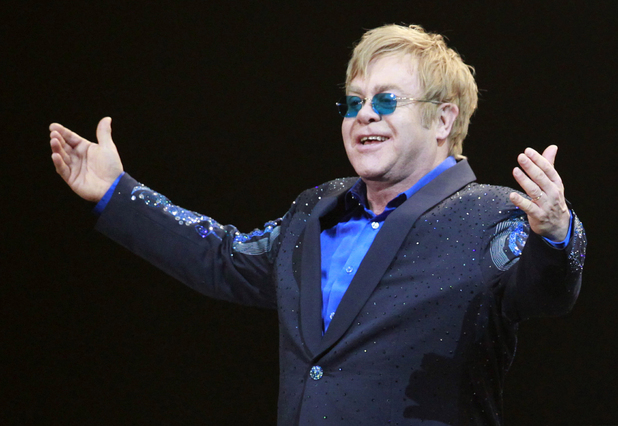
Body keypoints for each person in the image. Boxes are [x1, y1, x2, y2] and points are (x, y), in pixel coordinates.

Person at [49, 24, 586, 425]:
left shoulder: (492, 216)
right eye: (353, 102)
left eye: (385, 101)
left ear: (443, 119)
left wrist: (558, 233)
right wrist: (119, 193)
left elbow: (546, 292)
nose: (364, 115)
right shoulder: (317, 209)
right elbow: (224, 258)